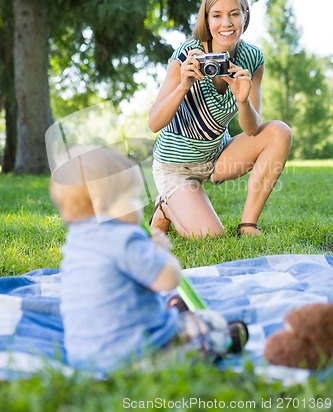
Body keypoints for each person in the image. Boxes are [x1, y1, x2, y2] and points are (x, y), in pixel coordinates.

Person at [50, 146, 238, 373]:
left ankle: (173, 315)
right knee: (212, 324)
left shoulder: (75, 242)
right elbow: (168, 280)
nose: (139, 206)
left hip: (85, 356)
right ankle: (224, 341)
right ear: (102, 205)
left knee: (168, 308)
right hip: (137, 355)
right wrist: (160, 252)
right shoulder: (124, 238)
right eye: (131, 198)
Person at [149, 0, 292, 238]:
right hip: (175, 165)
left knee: (279, 132)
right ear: (206, 19)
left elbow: (251, 129)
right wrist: (182, 86)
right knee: (211, 235)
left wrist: (242, 100)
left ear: (245, 16)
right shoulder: (187, 54)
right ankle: (166, 206)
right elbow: (154, 123)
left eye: (234, 14)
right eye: (217, 15)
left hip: (217, 155)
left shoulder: (253, 58)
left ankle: (248, 225)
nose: (226, 23)